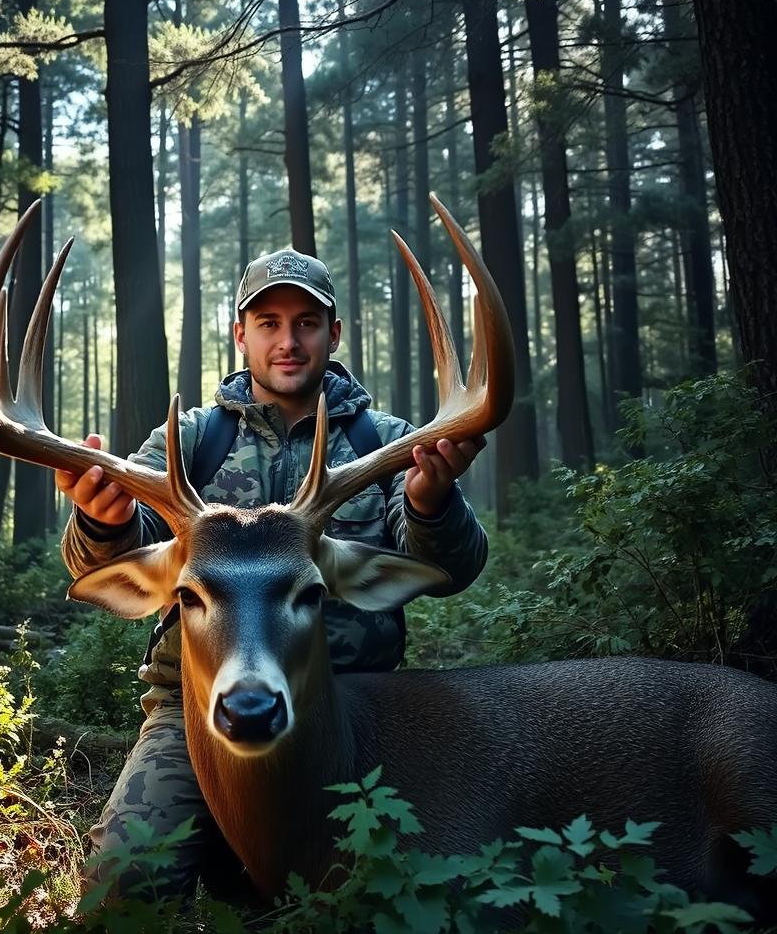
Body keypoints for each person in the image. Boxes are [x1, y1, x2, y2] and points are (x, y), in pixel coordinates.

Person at [56, 248, 488, 898]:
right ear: (241, 333)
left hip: (353, 712)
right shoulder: (189, 443)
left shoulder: (388, 442)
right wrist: (103, 519)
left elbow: (448, 568)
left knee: (397, 897)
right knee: (123, 885)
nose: (288, 340)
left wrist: (429, 500)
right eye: (269, 322)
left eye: (307, 322)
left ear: (333, 333)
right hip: (196, 709)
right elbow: (119, 561)